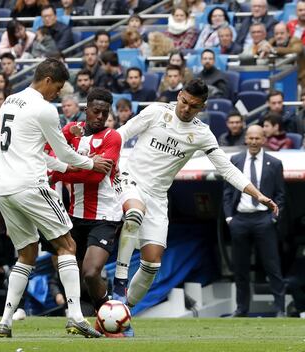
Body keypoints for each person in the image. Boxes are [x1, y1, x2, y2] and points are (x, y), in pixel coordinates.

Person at [112, 79, 278, 336]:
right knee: (134, 214)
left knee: (152, 265)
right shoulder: (156, 112)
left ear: (202, 107)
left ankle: (121, 314)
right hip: (130, 180)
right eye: (184, 102)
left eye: (193, 106)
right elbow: (121, 134)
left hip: (157, 197)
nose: (186, 109)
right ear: (179, 95)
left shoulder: (202, 134)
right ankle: (118, 287)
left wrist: (258, 194)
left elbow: (226, 168)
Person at [0, 58, 113, 339]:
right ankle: (75, 316)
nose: (58, 94)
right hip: (31, 187)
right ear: (47, 80)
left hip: (5, 189)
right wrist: (89, 163)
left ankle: (5, 321)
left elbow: (37, 151)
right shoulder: (44, 108)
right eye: (58, 88)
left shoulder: (9, 101)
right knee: (68, 245)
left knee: (27, 254)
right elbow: (64, 153)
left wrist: (66, 166)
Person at [50, 88, 123, 326]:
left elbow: (95, 177)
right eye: (96, 111)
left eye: (105, 112)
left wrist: (62, 173)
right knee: (65, 266)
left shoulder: (112, 137)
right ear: (86, 110)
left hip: (105, 215)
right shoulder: (73, 134)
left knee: (91, 272)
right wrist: (66, 131)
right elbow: (49, 151)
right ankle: (80, 316)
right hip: (74, 215)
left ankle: (109, 315)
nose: (100, 116)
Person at [223, 125, 285, 317]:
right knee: (240, 268)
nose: (253, 142)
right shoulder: (235, 160)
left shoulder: (274, 163)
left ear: (264, 139)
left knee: (272, 266)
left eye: (257, 138)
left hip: (264, 220)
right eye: (250, 138)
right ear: (246, 139)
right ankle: (241, 309)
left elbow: (281, 195)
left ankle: (279, 309)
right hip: (240, 220)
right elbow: (227, 192)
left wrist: (273, 219)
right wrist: (229, 218)